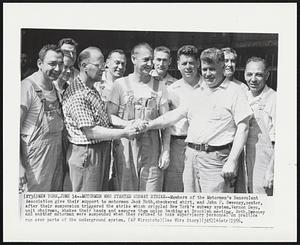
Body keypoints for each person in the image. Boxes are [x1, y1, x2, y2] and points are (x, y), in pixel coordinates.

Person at [145, 47, 253, 193]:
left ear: (222, 67)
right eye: (205, 69)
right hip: (191, 158)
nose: (207, 74)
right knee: (191, 205)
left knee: (214, 209)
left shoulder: (234, 91)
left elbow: (243, 128)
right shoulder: (198, 92)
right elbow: (173, 116)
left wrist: (232, 160)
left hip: (216, 160)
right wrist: (148, 124)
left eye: (212, 69)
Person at [62, 47, 137, 192]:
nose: (103, 68)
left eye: (103, 64)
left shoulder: (91, 88)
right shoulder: (77, 94)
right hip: (87, 153)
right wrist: (124, 133)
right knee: (86, 204)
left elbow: (103, 118)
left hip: (99, 151)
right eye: (99, 65)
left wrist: (128, 124)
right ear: (84, 66)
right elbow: (91, 132)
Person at [107, 42, 170, 191]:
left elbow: (166, 121)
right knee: (126, 192)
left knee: (151, 194)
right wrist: (129, 124)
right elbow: (110, 116)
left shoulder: (159, 86)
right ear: (134, 59)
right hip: (126, 146)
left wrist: (166, 150)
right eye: (146, 60)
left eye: (151, 60)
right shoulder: (120, 84)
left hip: (152, 147)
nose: (150, 64)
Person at [20, 44, 64, 192]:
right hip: (34, 160)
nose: (57, 69)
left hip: (56, 155)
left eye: (60, 64)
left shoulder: (55, 88)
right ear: (40, 63)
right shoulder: (27, 87)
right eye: (52, 64)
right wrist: (19, 166)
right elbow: (12, 129)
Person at [163, 45, 202, 192]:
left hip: (201, 146)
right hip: (177, 145)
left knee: (197, 190)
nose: (188, 67)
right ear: (178, 65)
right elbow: (166, 122)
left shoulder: (208, 86)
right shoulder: (172, 89)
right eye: (184, 63)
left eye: (191, 63)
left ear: (198, 63)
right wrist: (165, 150)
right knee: (175, 189)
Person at [244, 57, 276, 195]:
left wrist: (271, 170)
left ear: (267, 75)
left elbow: (280, 140)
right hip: (244, 159)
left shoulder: (274, 99)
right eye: (250, 74)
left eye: (259, 74)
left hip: (264, 160)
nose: (253, 79)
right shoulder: (243, 97)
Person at [222, 47, 249, 192]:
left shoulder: (242, 88)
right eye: (226, 60)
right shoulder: (209, 85)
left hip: (234, 146)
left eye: (232, 61)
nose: (229, 64)